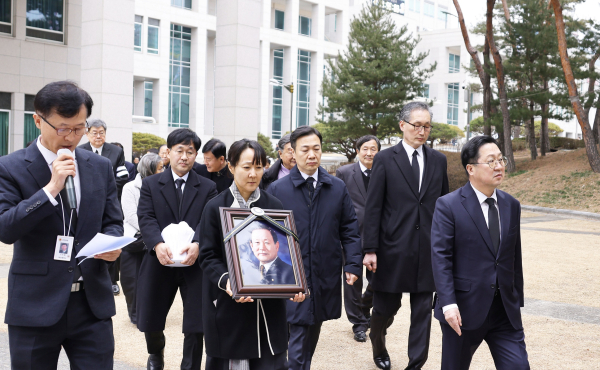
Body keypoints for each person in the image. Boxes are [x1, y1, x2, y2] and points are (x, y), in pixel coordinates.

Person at [0, 80, 123, 369]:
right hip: (34, 304)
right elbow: (6, 229)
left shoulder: (99, 166)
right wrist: (50, 189)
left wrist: (113, 246)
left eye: (79, 128)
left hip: (91, 304)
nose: (71, 137)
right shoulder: (10, 167)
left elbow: (113, 222)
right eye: (63, 128)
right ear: (37, 120)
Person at [199, 138, 305, 370]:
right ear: (231, 167)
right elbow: (207, 255)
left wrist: (293, 284)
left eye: (259, 167)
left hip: (269, 309)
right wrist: (228, 281)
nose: (253, 173)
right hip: (229, 305)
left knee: (271, 362)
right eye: (246, 167)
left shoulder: (275, 205)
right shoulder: (215, 206)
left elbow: (287, 251)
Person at [362, 102, 449, 370]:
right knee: (385, 310)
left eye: (426, 126)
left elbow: (444, 205)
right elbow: (373, 206)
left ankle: (415, 364)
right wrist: (370, 249)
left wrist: (446, 245)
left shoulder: (438, 160)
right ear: (402, 125)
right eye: (416, 125)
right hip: (392, 249)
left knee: (422, 312)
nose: (422, 131)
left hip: (428, 249)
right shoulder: (386, 159)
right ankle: (377, 340)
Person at [267, 126, 362, 370]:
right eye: (305, 150)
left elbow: (349, 228)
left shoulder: (336, 187)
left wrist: (352, 264)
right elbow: (268, 234)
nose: (312, 154)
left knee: (311, 327)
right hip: (291, 275)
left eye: (316, 149)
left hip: (324, 271)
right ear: (293, 153)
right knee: (299, 331)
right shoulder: (278, 190)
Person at [431, 136, 529, 370]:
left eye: (501, 159)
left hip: (504, 310)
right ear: (471, 169)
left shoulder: (511, 204)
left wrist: (516, 299)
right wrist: (448, 303)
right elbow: (440, 257)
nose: (499, 166)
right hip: (463, 310)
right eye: (491, 161)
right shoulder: (448, 205)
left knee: (518, 366)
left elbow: (514, 256)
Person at [137, 128, 218, 370]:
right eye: (179, 151)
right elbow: (146, 217)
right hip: (160, 259)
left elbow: (208, 221)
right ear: (168, 153)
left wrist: (198, 244)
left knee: (196, 321)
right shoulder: (151, 184)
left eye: (190, 152)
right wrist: (157, 244)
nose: (184, 157)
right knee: (151, 317)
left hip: (194, 263)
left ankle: (190, 365)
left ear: (196, 156)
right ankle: (155, 353)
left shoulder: (207, 187)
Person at [335, 134, 380, 343]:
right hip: (352, 234)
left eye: (373, 149)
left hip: (380, 235)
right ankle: (358, 323)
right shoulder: (344, 172)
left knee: (378, 280)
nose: (369, 153)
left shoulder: (384, 171)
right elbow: (339, 203)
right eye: (365, 149)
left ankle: (364, 306)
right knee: (352, 280)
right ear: (357, 151)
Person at [79, 119, 128, 295]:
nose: (98, 136)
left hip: (109, 202)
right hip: (86, 204)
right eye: (94, 132)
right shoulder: (79, 151)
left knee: (111, 241)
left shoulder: (116, 151)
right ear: (87, 133)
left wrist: (102, 189)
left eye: (101, 132)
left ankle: (113, 280)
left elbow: (123, 177)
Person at [120, 153, 164, 325]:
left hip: (155, 238)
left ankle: (150, 313)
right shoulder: (130, 188)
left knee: (153, 279)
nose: (164, 170)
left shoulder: (162, 186)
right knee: (131, 279)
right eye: (160, 168)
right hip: (135, 239)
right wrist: (152, 230)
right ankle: (135, 314)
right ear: (149, 169)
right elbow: (131, 216)